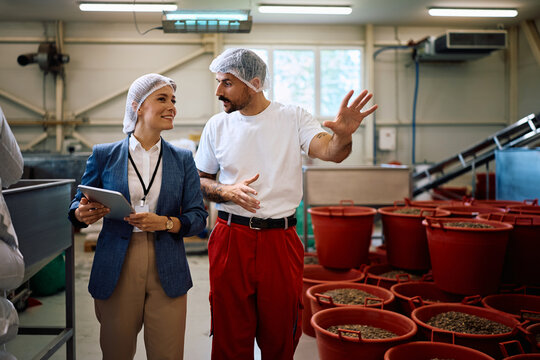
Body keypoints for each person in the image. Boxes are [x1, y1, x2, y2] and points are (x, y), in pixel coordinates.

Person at [194, 48, 378, 360]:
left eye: (226, 83)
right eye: (218, 81)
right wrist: (226, 191)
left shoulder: (292, 117)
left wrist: (343, 136)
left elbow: (330, 151)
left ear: (253, 83)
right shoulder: (217, 126)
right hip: (230, 238)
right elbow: (200, 181)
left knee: (281, 331)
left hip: (279, 240)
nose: (218, 91)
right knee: (229, 332)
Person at [68, 73, 207, 360]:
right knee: (116, 352)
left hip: (166, 264)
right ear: (137, 106)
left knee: (167, 354)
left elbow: (198, 216)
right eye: (162, 99)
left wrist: (167, 222)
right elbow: (76, 205)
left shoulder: (182, 159)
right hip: (117, 263)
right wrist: (81, 213)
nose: (172, 107)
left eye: (173, 100)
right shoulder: (104, 155)